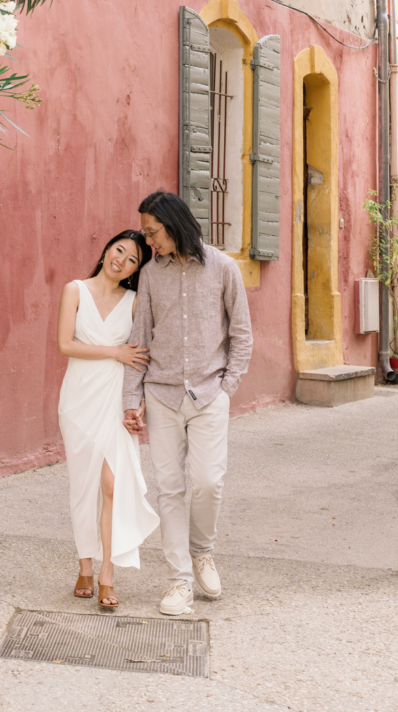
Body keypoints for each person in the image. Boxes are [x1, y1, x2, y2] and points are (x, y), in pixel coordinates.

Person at [123, 190, 253, 619]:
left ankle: (203, 553)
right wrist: (132, 397)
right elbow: (140, 338)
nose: (148, 241)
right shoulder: (150, 274)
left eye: (153, 232)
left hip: (208, 393)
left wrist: (227, 386)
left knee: (207, 481)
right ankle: (179, 579)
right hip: (161, 394)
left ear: (174, 224)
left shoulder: (224, 268)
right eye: (145, 233)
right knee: (169, 489)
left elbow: (242, 334)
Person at [57, 230, 160, 611]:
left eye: (132, 259)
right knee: (82, 485)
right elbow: (65, 344)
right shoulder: (75, 290)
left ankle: (106, 575)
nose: (122, 261)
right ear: (106, 250)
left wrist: (139, 404)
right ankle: (84, 564)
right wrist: (114, 352)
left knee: (112, 486)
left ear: (136, 269)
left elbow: (143, 357)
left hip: (115, 402)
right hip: (78, 400)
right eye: (119, 251)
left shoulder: (133, 301)